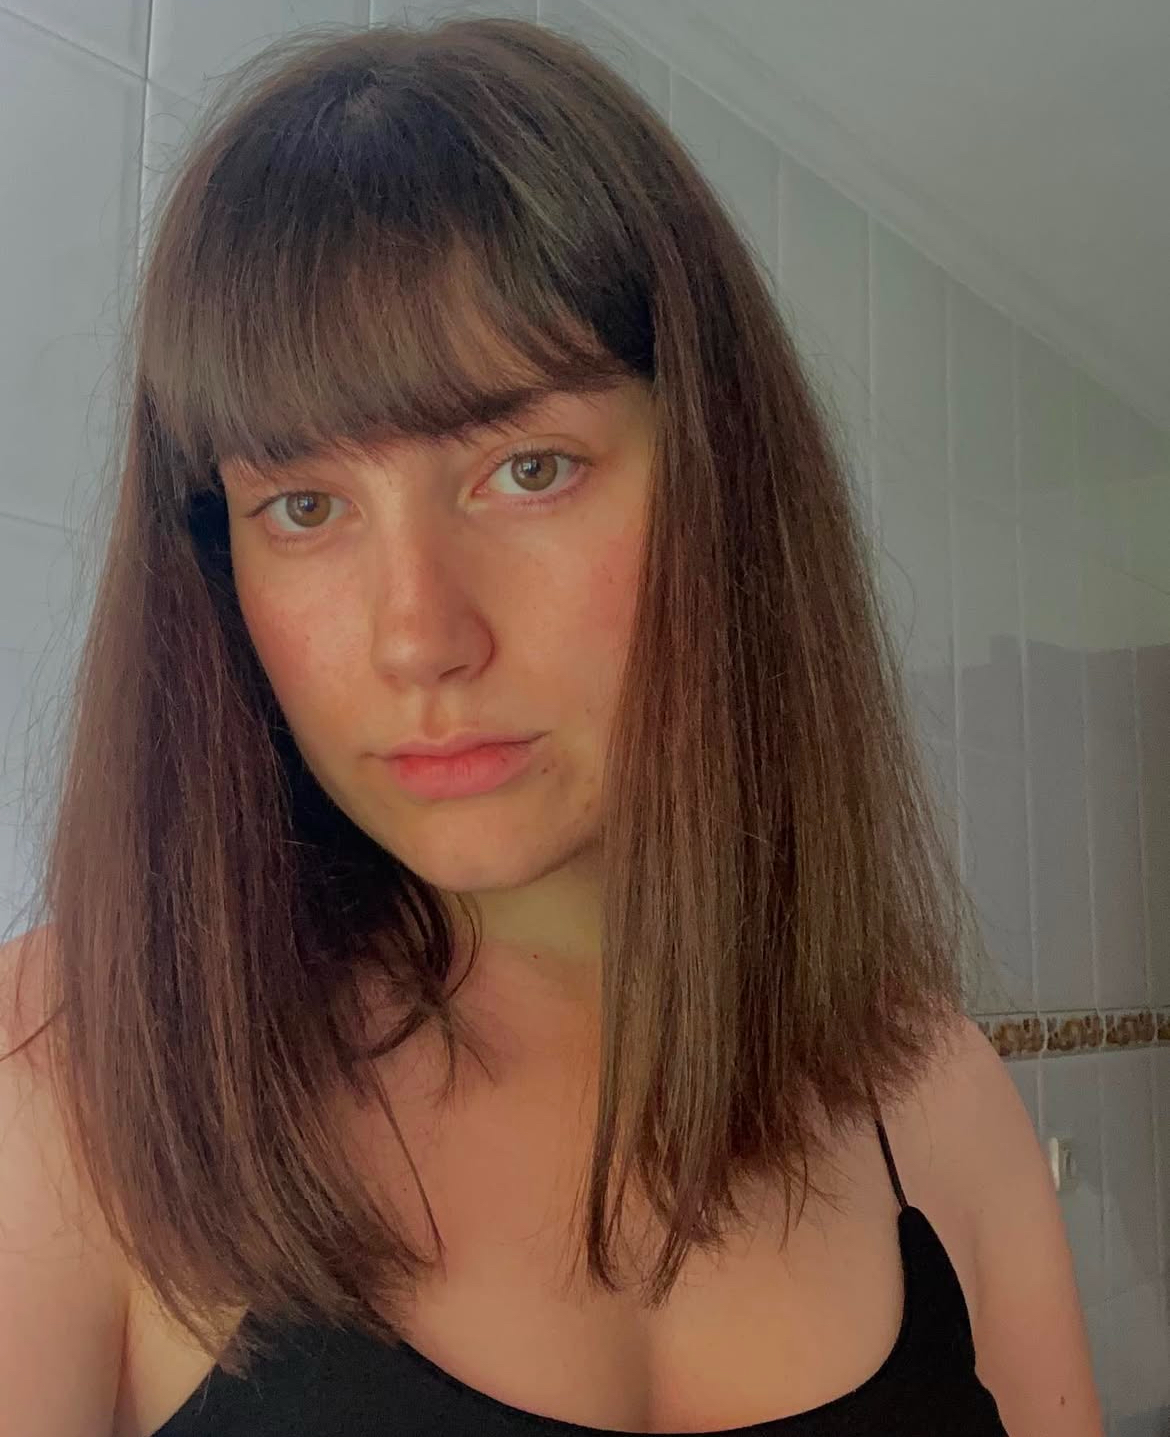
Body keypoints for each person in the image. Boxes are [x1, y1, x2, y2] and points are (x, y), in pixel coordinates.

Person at [0, 15, 1100, 1436]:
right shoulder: (74, 1069)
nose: (419, 635)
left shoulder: (931, 1095)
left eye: (528, 469)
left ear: (719, 487)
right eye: (305, 505)